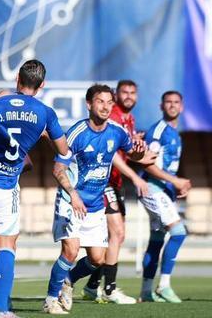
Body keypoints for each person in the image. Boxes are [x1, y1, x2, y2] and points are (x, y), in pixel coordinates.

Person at [0, 59, 73, 318]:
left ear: (17, 80)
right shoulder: (45, 113)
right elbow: (64, 150)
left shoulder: (1, 103)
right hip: (5, 185)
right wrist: (57, 155)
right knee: (7, 244)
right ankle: (1, 308)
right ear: (42, 85)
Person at [42, 84, 154, 314]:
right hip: (71, 199)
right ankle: (50, 300)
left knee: (97, 259)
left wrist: (140, 151)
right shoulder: (76, 133)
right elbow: (58, 169)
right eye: (100, 101)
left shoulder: (117, 131)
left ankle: (68, 281)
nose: (105, 106)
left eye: (109, 102)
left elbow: (133, 153)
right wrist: (73, 195)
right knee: (71, 251)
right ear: (89, 104)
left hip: (95, 203)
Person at [82, 79, 148, 304]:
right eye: (124, 92)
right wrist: (134, 176)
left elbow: (128, 150)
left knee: (114, 238)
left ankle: (92, 286)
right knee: (116, 235)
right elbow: (113, 155)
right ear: (117, 96)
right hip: (104, 182)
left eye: (132, 92)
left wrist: (139, 150)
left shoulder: (129, 119)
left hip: (116, 184)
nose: (128, 96)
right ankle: (109, 289)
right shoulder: (115, 117)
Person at [138, 90, 192, 303]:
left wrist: (175, 185)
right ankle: (164, 286)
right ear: (161, 106)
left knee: (157, 241)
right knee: (178, 232)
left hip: (163, 191)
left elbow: (165, 166)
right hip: (152, 188)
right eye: (168, 102)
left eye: (176, 102)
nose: (172, 105)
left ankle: (145, 291)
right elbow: (147, 164)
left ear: (182, 107)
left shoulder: (175, 134)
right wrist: (176, 181)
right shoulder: (158, 131)